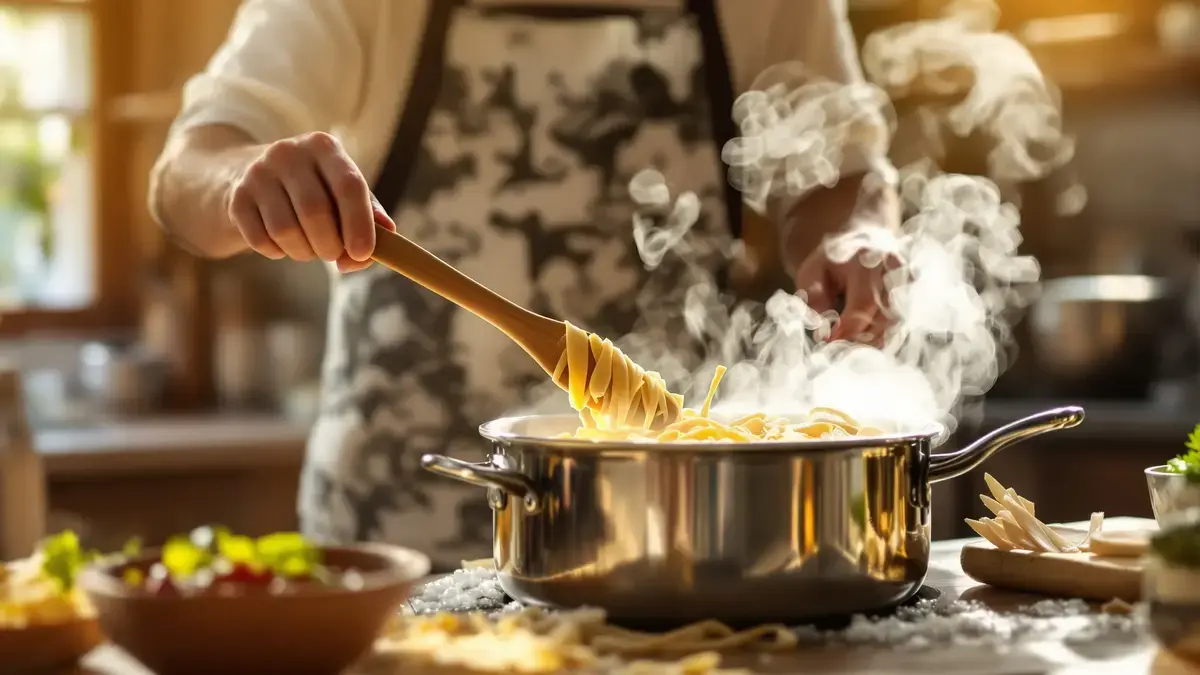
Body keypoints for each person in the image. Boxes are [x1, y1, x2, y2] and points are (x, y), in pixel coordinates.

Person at [150, 0, 898, 568]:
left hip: (673, 540)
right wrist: (240, 182)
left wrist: (853, 236)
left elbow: (842, 168)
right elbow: (188, 168)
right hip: (393, 539)